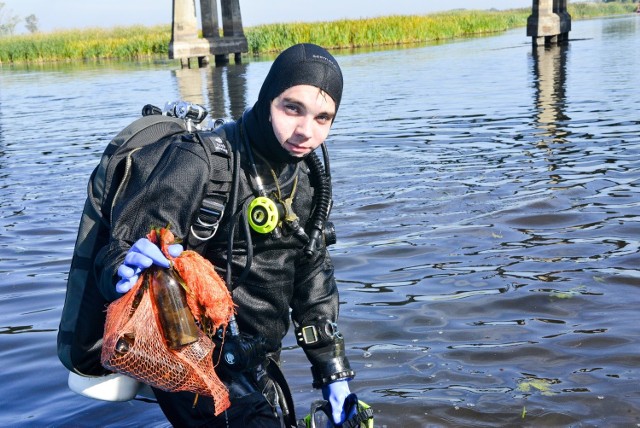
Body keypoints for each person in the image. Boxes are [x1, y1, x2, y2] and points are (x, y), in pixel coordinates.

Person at [95, 43, 356, 427]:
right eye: (292, 108)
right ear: (268, 99)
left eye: (323, 118)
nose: (305, 130)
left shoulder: (309, 184)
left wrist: (334, 372)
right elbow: (116, 250)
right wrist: (122, 269)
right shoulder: (201, 163)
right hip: (185, 354)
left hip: (255, 358)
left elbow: (313, 281)